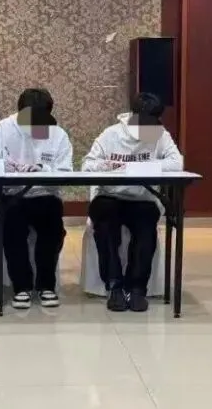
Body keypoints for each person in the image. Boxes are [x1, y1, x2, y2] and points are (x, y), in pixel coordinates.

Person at [83, 92, 183, 313]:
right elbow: (88, 164)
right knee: (105, 226)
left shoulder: (160, 135)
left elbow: (177, 163)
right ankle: (114, 285)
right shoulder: (111, 134)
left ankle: (137, 288)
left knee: (146, 228)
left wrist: (145, 167)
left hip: (142, 198)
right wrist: (107, 166)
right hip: (110, 196)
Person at [0, 88, 72, 309]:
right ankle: (21, 287)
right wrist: (5, 166)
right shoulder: (3, 129)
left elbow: (65, 171)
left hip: (44, 194)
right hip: (11, 195)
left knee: (52, 228)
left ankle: (46, 285)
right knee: (12, 227)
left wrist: (42, 169)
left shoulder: (58, 134)